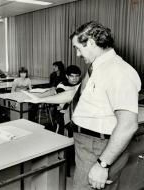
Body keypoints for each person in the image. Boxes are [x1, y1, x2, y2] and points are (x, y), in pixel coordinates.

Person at [29, 21, 141, 190]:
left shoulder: (119, 71)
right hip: (88, 144)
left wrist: (102, 165)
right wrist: (39, 100)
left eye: (78, 48)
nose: (77, 54)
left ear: (90, 42)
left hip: (99, 147)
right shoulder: (97, 68)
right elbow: (76, 93)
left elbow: (128, 125)